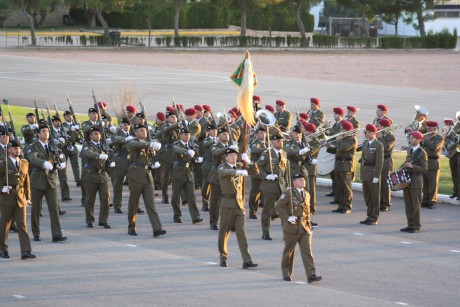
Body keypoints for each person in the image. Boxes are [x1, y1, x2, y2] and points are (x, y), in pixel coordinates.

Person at [275, 173, 322, 283]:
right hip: (292, 227)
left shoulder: (307, 194)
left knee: (307, 251)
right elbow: (278, 205)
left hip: (304, 227)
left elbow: (307, 211)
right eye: (300, 180)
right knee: (289, 252)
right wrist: (287, 217)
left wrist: (309, 225)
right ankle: (286, 273)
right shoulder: (288, 193)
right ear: (294, 182)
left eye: (303, 179)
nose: (303, 181)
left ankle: (311, 275)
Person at [25, 123, 67, 243]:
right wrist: (44, 163)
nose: (46, 133)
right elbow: (33, 159)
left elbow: (60, 155)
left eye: (47, 131)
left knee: (54, 208)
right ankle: (36, 233)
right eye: (43, 131)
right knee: (36, 208)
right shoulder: (32, 146)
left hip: (51, 180)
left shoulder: (53, 144)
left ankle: (57, 234)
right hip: (37, 179)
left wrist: (61, 163)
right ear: (38, 134)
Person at [217, 147, 258, 269]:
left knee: (241, 233)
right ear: (226, 157)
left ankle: (247, 260)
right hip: (227, 203)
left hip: (239, 204)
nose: (233, 157)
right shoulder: (222, 167)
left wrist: (250, 162)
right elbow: (223, 173)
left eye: (235, 155)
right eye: (231, 155)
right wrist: (236, 172)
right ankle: (223, 257)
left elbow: (256, 172)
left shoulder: (240, 165)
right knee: (224, 232)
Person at [126, 124, 166, 237]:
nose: (144, 132)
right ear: (136, 133)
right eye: (141, 131)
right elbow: (137, 145)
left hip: (147, 176)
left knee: (151, 204)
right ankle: (131, 227)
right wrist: (151, 144)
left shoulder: (148, 143)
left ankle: (157, 228)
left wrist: (153, 164)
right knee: (133, 203)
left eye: (145, 131)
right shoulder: (133, 142)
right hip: (136, 176)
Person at [0, 140, 36, 260]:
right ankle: (3, 249)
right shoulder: (3, 164)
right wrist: (1, 188)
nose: (17, 150)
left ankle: (25, 251)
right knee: (5, 225)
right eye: (14, 148)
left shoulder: (24, 163)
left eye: (19, 148)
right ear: (9, 150)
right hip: (7, 197)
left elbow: (27, 182)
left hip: (20, 197)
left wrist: (28, 197)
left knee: (22, 225)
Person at [257, 134, 288, 240]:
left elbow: (285, 171)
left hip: (282, 186)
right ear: (273, 142)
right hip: (269, 186)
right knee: (267, 210)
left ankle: (286, 233)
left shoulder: (283, 153)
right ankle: (265, 232)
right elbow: (258, 167)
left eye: (282, 141)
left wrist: (288, 186)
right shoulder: (267, 154)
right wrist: (266, 176)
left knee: (284, 210)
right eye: (279, 141)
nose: (281, 142)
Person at [170, 128, 204, 224]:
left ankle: (195, 216)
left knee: (191, 196)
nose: (187, 136)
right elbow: (176, 150)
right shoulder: (177, 144)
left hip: (189, 172)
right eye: (184, 134)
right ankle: (177, 215)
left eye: (188, 134)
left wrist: (197, 160)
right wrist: (187, 151)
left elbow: (193, 157)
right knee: (175, 196)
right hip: (178, 172)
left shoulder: (192, 145)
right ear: (180, 135)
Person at [80, 126, 111, 229]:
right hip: (90, 175)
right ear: (90, 136)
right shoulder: (87, 145)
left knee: (105, 198)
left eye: (98, 134)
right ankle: (89, 220)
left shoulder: (103, 145)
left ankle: (103, 220)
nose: (97, 136)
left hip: (102, 175)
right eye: (95, 134)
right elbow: (87, 153)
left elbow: (110, 154)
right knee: (90, 199)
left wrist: (111, 162)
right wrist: (99, 156)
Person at [326, 121, 357, 214]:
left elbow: (344, 148)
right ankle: (341, 205)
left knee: (346, 188)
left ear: (347, 130)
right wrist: (329, 147)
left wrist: (338, 140)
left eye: (343, 129)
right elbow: (337, 150)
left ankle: (347, 207)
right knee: (339, 187)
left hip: (346, 165)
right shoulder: (343, 139)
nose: (341, 130)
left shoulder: (352, 139)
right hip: (339, 164)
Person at [208, 128, 236, 230]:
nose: (226, 135)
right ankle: (213, 222)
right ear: (219, 136)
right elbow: (216, 153)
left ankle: (231, 223)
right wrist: (229, 149)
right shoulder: (215, 146)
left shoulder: (232, 146)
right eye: (223, 134)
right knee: (215, 201)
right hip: (217, 177)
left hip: (230, 177)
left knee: (231, 201)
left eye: (227, 134)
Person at [401, 131, 428, 233]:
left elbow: (424, 168)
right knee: (408, 205)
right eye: (411, 137)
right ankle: (410, 224)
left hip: (416, 181)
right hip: (407, 180)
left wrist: (413, 167)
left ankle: (416, 226)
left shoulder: (422, 152)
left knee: (415, 205)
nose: (411, 139)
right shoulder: (409, 149)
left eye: (413, 138)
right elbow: (406, 163)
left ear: (418, 140)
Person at [358, 124, 383, 225]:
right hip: (365, 172)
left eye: (368, 132)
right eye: (366, 132)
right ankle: (369, 215)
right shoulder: (365, 143)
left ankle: (374, 217)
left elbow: (379, 162)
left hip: (373, 173)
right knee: (367, 196)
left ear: (373, 133)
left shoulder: (378, 145)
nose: (366, 134)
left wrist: (376, 176)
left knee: (374, 197)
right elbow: (364, 156)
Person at [110, 118, 132, 214]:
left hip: (131, 162)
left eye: (128, 124)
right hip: (119, 161)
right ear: (120, 125)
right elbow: (116, 139)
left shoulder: (133, 134)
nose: (126, 126)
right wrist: (125, 139)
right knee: (118, 185)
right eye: (124, 124)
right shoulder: (117, 134)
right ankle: (117, 205)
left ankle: (135, 205)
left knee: (134, 185)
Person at [421, 121, 444, 209]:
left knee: (432, 183)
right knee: (425, 183)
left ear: (435, 129)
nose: (427, 130)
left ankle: (432, 201)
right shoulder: (426, 136)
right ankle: (425, 200)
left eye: (429, 128)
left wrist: (426, 139)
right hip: (424, 162)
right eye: (427, 128)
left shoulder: (439, 138)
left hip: (433, 162)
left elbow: (434, 147)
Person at [325, 107, 344, 203]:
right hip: (333, 148)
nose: (334, 116)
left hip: (337, 148)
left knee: (337, 175)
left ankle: (337, 194)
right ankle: (334, 191)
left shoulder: (342, 124)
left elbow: (336, 135)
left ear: (340, 115)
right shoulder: (336, 124)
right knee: (333, 174)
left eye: (335, 114)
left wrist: (328, 129)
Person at [51, 115, 71, 203]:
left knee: (63, 176)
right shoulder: (50, 132)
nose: (58, 123)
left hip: (61, 155)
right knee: (51, 176)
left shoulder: (63, 131)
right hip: (51, 156)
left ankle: (65, 195)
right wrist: (59, 140)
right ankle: (51, 196)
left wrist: (66, 140)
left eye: (59, 121)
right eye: (55, 121)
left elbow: (68, 140)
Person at [302, 122, 321, 217]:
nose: (304, 132)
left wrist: (306, 144)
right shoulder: (304, 139)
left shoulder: (316, 142)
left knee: (311, 190)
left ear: (310, 131)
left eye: (306, 130)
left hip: (310, 168)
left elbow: (310, 153)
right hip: (304, 167)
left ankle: (312, 208)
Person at [248, 127, 267, 219]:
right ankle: (252, 212)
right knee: (255, 193)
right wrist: (268, 150)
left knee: (266, 192)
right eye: (260, 133)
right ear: (256, 135)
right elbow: (256, 150)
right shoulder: (255, 143)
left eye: (264, 133)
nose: (263, 134)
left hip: (265, 171)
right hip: (256, 171)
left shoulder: (266, 143)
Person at [377, 119, 396, 212]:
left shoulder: (391, 137)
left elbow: (387, 148)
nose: (378, 127)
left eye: (380, 126)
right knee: (378, 183)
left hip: (386, 162)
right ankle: (379, 202)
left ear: (385, 127)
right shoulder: (377, 135)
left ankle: (386, 203)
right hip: (378, 161)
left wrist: (380, 138)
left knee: (385, 184)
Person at [61, 110, 82, 188]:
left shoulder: (74, 125)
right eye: (67, 116)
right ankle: (64, 181)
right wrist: (71, 128)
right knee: (64, 165)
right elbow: (64, 132)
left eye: (70, 115)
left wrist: (80, 140)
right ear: (64, 117)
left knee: (75, 165)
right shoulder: (63, 125)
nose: (69, 117)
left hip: (73, 147)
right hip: (64, 148)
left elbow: (76, 137)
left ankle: (78, 180)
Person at [201, 124, 217, 212]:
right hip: (207, 166)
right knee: (206, 186)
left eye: (215, 130)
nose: (214, 132)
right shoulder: (206, 140)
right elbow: (206, 144)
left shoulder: (219, 140)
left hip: (216, 166)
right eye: (212, 130)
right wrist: (215, 140)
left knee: (216, 186)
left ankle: (215, 204)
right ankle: (205, 203)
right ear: (209, 132)